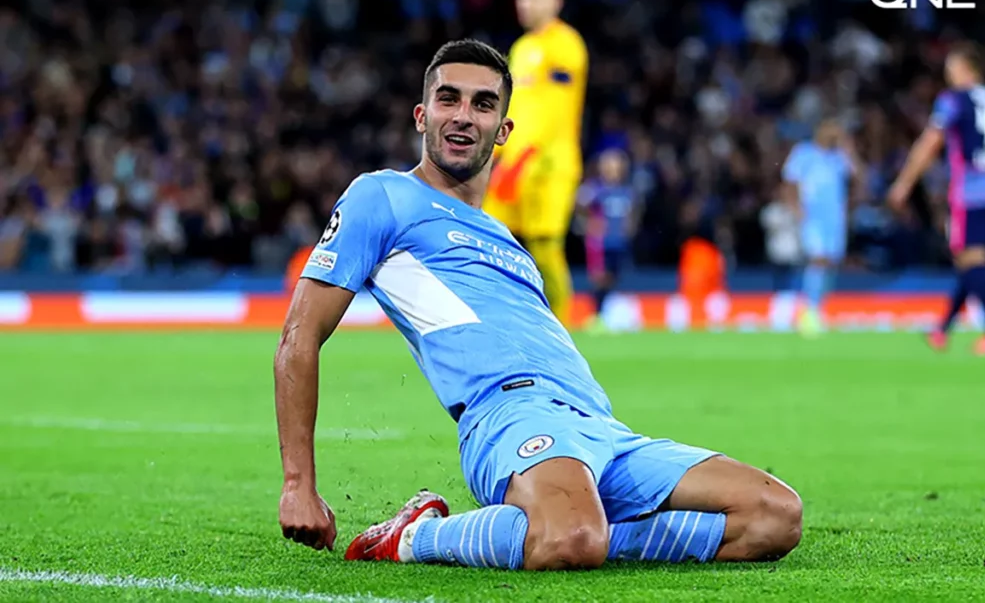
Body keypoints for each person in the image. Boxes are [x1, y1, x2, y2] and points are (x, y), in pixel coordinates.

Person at [274, 39, 802, 571]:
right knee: (571, 538)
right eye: (448, 99)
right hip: (508, 415)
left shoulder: (507, 241)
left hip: (600, 426)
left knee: (775, 515)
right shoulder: (381, 196)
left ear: (502, 130)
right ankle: (417, 536)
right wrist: (298, 484)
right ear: (421, 115)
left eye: (482, 104)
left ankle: (578, 525)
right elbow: (300, 335)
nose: (463, 116)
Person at [888, 43, 985, 355]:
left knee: (973, 260)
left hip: (968, 189)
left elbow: (930, 142)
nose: (948, 73)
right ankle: (942, 329)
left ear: (967, 68)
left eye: (951, 67)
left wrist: (904, 182)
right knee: (968, 260)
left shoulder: (953, 101)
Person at [482, 0, 588, 328]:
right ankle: (499, 320)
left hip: (549, 162)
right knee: (490, 238)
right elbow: (514, 109)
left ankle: (561, 328)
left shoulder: (566, 46)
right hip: (512, 162)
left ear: (555, 1)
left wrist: (525, 155)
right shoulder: (521, 48)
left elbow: (555, 110)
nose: (523, 3)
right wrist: (493, 154)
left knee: (544, 245)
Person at [782, 119, 863, 336]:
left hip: (835, 218)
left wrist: (849, 149)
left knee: (830, 263)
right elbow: (790, 182)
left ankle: (816, 309)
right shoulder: (803, 152)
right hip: (813, 217)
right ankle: (808, 311)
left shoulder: (839, 156)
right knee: (818, 259)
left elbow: (860, 178)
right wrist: (797, 209)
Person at [577, 149, 637, 334]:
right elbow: (579, 205)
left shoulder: (627, 191)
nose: (611, 170)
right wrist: (588, 225)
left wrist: (630, 227)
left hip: (618, 241)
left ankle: (605, 315)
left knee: (613, 278)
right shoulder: (595, 189)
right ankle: (597, 316)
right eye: (608, 166)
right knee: (599, 279)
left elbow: (633, 212)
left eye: (615, 166)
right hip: (600, 243)